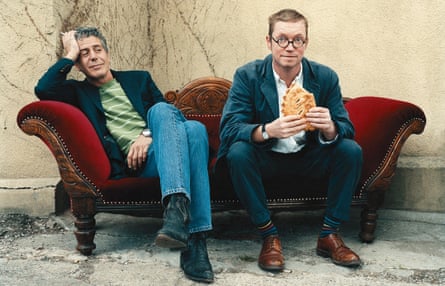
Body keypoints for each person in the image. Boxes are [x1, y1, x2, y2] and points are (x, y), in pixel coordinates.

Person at [35, 27, 214, 283]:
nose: (94, 56)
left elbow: (172, 119)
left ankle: (182, 223)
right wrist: (69, 52)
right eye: (84, 54)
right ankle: (190, 233)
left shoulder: (139, 79)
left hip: (164, 150)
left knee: (187, 124)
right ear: (78, 64)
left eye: (98, 49)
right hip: (139, 163)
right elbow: (44, 89)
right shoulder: (77, 92)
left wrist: (147, 134)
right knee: (190, 127)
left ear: (107, 54)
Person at [216, 9, 363, 271]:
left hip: (309, 158)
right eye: (282, 39)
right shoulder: (248, 76)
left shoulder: (324, 77)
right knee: (238, 153)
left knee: (350, 150)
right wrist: (267, 130)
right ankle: (268, 235)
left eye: (297, 40)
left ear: (305, 43)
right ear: (269, 41)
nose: (289, 47)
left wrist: (329, 127)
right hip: (266, 159)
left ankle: (329, 234)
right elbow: (228, 128)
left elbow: (346, 127)